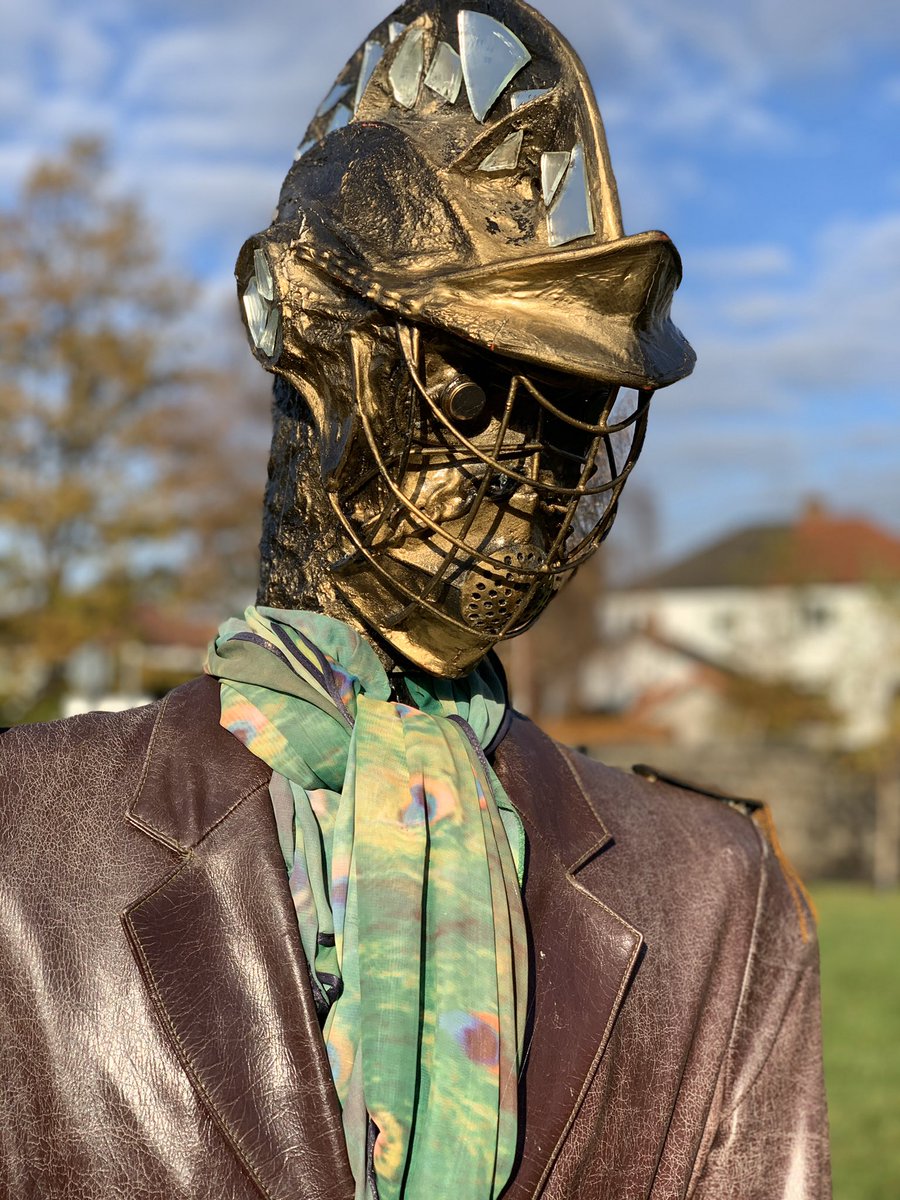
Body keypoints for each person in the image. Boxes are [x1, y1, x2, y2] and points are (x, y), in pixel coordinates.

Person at [0, 2, 830, 1197]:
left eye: (574, 408)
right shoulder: (26, 845)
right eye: (473, 380)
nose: (535, 469)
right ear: (291, 322)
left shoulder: (720, 896)